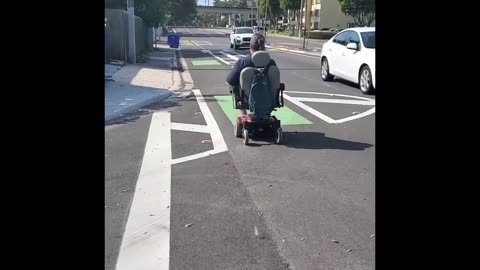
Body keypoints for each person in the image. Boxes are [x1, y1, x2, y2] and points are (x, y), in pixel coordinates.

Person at [226, 33, 277, 116]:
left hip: (246, 99)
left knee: (233, 86)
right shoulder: (271, 63)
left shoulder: (242, 62)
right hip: (268, 98)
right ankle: (265, 112)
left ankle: (243, 114)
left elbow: (230, 81)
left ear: (250, 47)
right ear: (264, 48)